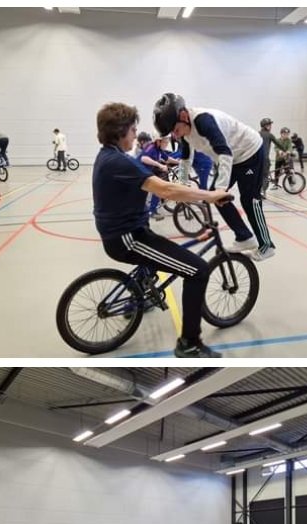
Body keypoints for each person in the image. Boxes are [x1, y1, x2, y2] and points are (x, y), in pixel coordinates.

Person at [94, 100, 234, 359]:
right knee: (197, 270)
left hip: (129, 231)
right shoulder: (120, 162)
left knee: (161, 250)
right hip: (127, 239)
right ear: (121, 131)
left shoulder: (108, 156)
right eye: (133, 129)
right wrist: (210, 195)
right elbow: (167, 190)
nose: (136, 134)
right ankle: (189, 343)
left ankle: (141, 294)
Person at [154, 93, 275, 263]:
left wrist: (220, 190)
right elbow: (185, 159)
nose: (175, 135)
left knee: (250, 200)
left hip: (250, 152)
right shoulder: (185, 132)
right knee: (214, 196)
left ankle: (266, 245)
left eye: (175, 130)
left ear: (183, 116)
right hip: (233, 157)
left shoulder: (203, 121)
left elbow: (225, 153)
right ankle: (244, 236)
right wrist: (182, 184)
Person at [135, 130, 181, 221]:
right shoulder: (151, 147)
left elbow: (168, 159)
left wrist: (179, 162)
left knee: (158, 188)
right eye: (165, 141)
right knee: (157, 188)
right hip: (140, 173)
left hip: (146, 173)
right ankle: (151, 211)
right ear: (158, 141)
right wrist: (159, 165)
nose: (167, 143)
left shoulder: (158, 149)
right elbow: (144, 158)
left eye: (167, 141)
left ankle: (150, 210)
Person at [259, 118, 285, 197]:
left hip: (256, 158)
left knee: (258, 176)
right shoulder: (269, 135)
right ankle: (263, 192)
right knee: (265, 176)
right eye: (269, 125)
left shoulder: (257, 133)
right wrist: (286, 150)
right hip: (265, 159)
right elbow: (278, 144)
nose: (270, 126)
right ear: (265, 126)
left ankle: (258, 190)